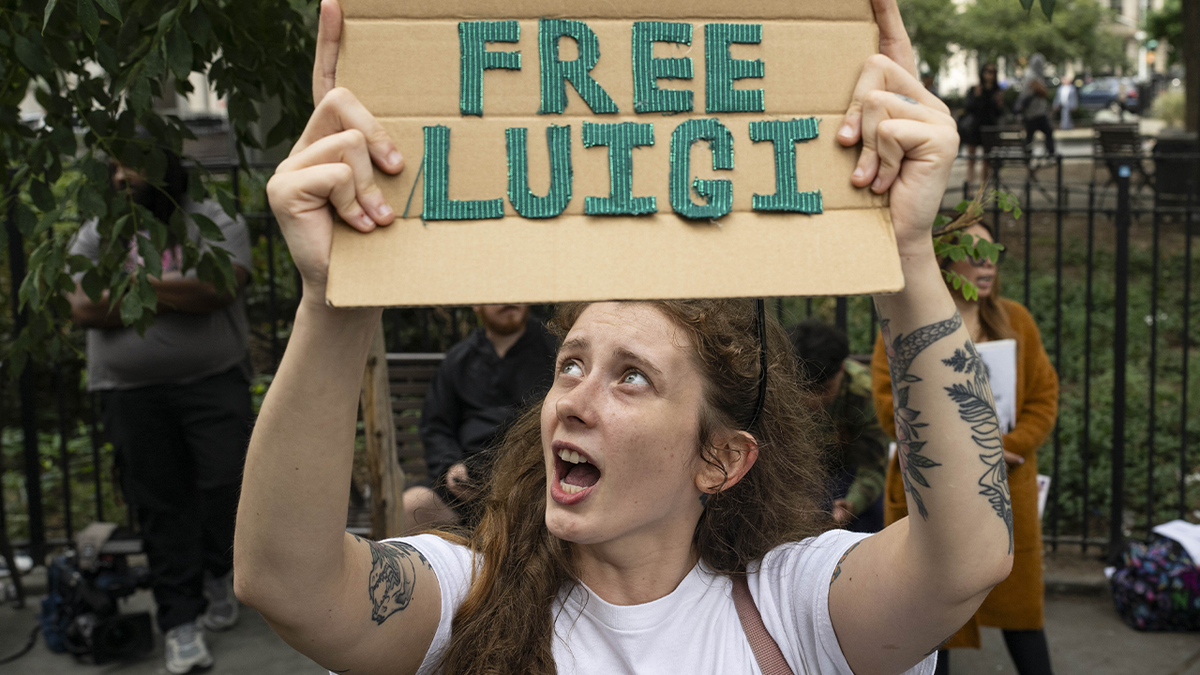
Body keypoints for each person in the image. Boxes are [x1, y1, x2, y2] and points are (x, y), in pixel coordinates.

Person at [234, 2, 1015, 674]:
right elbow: (287, 583)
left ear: (721, 458)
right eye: (571, 364)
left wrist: (907, 256)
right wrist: (333, 299)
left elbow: (966, 560)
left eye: (631, 375)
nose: (572, 398)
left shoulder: (796, 610)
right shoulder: (464, 598)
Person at [68, 153, 253, 674]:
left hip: (213, 383)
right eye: (112, 168)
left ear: (165, 166)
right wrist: (177, 292)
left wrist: (135, 290)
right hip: (130, 393)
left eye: (132, 165)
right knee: (159, 504)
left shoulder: (211, 219)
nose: (120, 177)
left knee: (227, 484)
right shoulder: (97, 232)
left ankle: (218, 570)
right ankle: (180, 621)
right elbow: (83, 307)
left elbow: (219, 287)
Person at [870, 222, 1059, 675]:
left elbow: (1044, 399)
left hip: (1005, 486)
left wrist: (1005, 446)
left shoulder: (1017, 320)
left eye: (992, 253)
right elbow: (889, 406)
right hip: (935, 489)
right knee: (935, 618)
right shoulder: (907, 319)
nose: (986, 263)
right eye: (974, 254)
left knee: (1021, 616)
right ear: (945, 261)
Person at [402, 304, 556, 531]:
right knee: (412, 506)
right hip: (468, 487)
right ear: (477, 304)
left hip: (535, 482)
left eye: (515, 289)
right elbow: (436, 426)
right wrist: (451, 467)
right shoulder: (459, 359)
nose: (509, 299)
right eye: (498, 292)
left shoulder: (554, 350)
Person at [788, 320, 888, 533]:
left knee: (875, 515)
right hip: (793, 477)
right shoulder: (774, 392)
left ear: (841, 369)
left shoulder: (865, 393)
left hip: (847, 475)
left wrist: (852, 505)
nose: (812, 402)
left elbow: (873, 466)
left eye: (823, 390)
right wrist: (791, 499)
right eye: (804, 391)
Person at [960, 63, 1005, 187]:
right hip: (974, 128)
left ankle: (983, 189)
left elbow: (999, 113)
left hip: (989, 128)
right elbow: (969, 108)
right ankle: (969, 188)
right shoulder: (975, 89)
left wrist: (999, 102)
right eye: (987, 71)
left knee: (987, 160)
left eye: (992, 72)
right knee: (971, 160)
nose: (989, 75)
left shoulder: (997, 91)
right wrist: (977, 95)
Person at [1017, 54, 1055, 157]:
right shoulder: (1032, 75)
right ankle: (1031, 157)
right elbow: (1043, 92)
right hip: (1033, 113)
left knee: (1033, 136)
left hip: (1036, 112)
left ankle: (1030, 157)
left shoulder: (1032, 75)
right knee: (1042, 133)